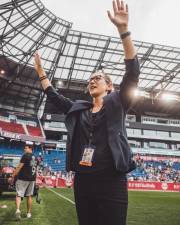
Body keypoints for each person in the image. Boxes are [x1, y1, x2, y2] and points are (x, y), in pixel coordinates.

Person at [34, 0, 140, 224]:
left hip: (112, 180)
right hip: (83, 180)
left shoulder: (118, 102)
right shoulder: (79, 109)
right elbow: (53, 96)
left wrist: (123, 30)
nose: (92, 81)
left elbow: (132, 73)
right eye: (90, 79)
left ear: (109, 86)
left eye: (97, 78)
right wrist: (42, 73)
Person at [11, 142, 37, 220]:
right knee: (29, 196)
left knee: (19, 194)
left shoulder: (25, 156)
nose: (24, 149)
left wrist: (13, 176)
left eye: (25, 148)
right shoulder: (34, 157)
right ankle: (28, 213)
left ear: (30, 148)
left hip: (23, 178)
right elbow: (32, 167)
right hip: (32, 179)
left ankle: (18, 210)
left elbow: (19, 167)